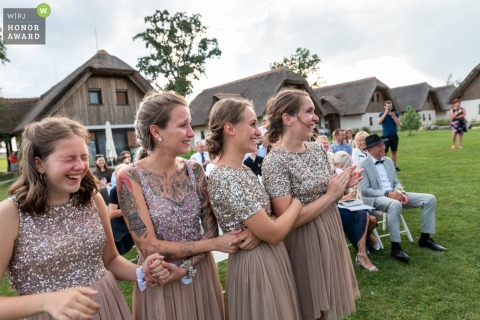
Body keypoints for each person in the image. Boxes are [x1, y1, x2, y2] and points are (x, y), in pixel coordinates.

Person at [0, 116, 163, 320]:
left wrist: (142, 272)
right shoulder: (10, 214)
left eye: (84, 157)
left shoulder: (93, 199)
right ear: (39, 164)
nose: (80, 166)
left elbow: (110, 260)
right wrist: (46, 301)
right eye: (69, 158)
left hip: (105, 305)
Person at [116, 91, 249, 320]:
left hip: (200, 272)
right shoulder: (130, 177)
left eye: (190, 124)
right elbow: (148, 246)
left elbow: (209, 227)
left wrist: (185, 268)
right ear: (156, 131)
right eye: (182, 125)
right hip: (159, 275)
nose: (191, 133)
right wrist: (212, 244)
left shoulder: (194, 170)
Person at [262, 88, 361, 320]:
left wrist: (344, 184)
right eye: (309, 112)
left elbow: (330, 189)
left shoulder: (317, 150)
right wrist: (331, 195)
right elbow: (288, 220)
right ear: (287, 118)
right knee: (310, 308)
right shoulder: (274, 161)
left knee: (326, 302)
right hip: (303, 240)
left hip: (330, 227)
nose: (316, 118)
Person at [206, 97, 302, 320]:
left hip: (272, 257)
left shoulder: (245, 171)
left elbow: (269, 219)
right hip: (256, 264)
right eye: (251, 124)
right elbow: (275, 233)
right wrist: (298, 202)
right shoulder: (224, 177)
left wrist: (259, 231)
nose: (259, 132)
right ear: (229, 128)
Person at [357, 134, 447, 263]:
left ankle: (425, 238)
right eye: (379, 145)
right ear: (370, 149)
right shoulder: (362, 165)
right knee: (395, 204)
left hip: (394, 195)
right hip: (375, 198)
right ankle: (395, 247)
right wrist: (389, 194)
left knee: (430, 199)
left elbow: (395, 182)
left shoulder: (388, 161)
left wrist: (401, 192)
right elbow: (365, 190)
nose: (383, 147)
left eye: (382, 144)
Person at [333, 151, 379, 272]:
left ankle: (367, 236)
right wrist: (344, 197)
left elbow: (355, 193)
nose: (346, 169)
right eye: (344, 166)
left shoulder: (348, 175)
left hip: (352, 205)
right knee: (364, 215)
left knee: (373, 219)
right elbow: (329, 198)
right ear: (336, 164)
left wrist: (352, 194)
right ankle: (362, 255)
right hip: (337, 208)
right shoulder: (331, 175)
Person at [109, 163, 135, 255]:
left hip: (133, 222)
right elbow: (112, 213)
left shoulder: (136, 189)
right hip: (120, 227)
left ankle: (139, 267)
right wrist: (131, 209)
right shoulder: (115, 191)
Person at [378, 100, 401, 171]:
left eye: (390, 106)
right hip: (386, 136)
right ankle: (384, 166)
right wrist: (385, 113)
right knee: (384, 152)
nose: (389, 108)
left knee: (394, 152)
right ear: (384, 107)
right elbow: (379, 122)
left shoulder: (395, 114)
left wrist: (393, 115)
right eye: (388, 106)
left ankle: (394, 166)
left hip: (394, 136)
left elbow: (398, 123)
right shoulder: (382, 114)